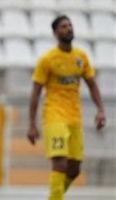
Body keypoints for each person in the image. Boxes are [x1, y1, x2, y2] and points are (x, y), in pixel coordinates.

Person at [27, 15, 106, 200]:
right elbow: (36, 92)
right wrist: (32, 124)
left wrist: (100, 110)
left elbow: (92, 84)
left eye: (70, 25)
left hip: (74, 117)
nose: (69, 28)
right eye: (63, 26)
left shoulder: (81, 57)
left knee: (75, 167)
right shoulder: (47, 59)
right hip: (54, 116)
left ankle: (54, 197)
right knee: (60, 163)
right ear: (55, 33)